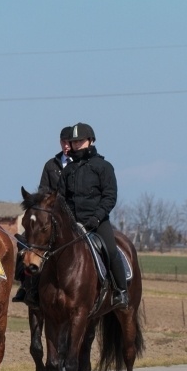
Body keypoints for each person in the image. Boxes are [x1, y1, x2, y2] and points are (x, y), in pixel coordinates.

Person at [57, 122, 128, 309]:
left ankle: (121, 291)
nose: (77, 145)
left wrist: (96, 217)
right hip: (72, 223)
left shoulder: (104, 167)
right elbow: (61, 199)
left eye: (80, 141)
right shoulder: (67, 171)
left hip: (97, 222)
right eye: (74, 142)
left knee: (111, 251)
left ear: (90, 140)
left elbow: (109, 197)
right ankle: (34, 290)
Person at [12, 125, 73, 303]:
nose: (66, 146)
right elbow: (42, 191)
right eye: (63, 142)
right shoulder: (50, 165)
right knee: (25, 241)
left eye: (69, 142)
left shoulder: (79, 166)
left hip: (72, 218)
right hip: (50, 217)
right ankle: (25, 285)